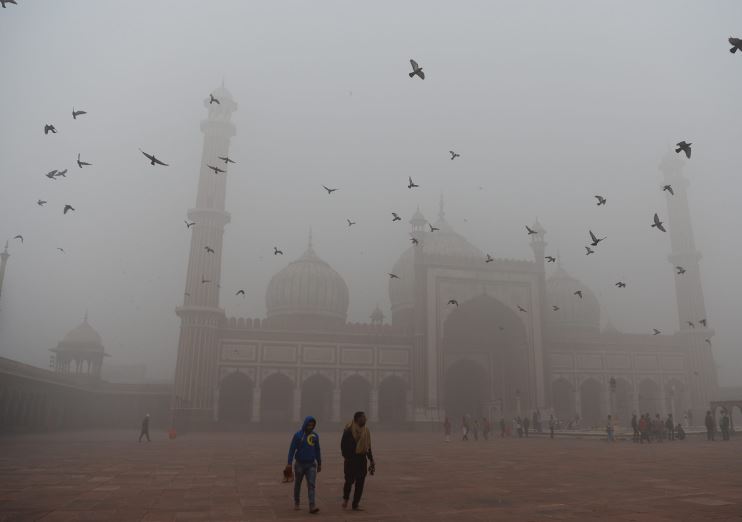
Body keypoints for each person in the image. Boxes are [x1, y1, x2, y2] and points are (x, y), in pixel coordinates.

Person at [286, 416, 322, 514]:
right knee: (298, 484)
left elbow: (317, 450)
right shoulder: (298, 435)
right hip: (299, 464)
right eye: (309, 425)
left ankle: (312, 505)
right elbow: (292, 449)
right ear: (305, 424)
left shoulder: (315, 436)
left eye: (312, 425)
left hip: (311, 465)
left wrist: (319, 463)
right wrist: (289, 463)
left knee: (311, 485)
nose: (310, 427)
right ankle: (297, 502)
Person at [341, 411, 375, 511]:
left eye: (365, 417)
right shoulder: (349, 430)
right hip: (351, 460)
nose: (365, 419)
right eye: (363, 417)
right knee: (349, 481)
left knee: (360, 482)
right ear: (357, 419)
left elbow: (368, 447)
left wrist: (371, 460)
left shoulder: (366, 431)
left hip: (361, 459)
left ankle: (355, 504)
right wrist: (348, 457)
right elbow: (343, 446)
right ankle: (346, 498)